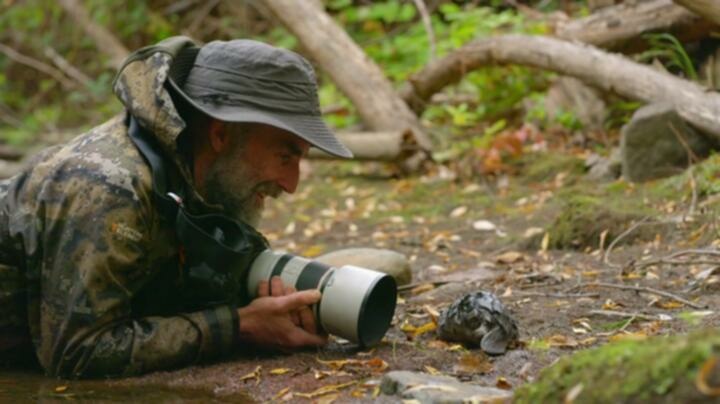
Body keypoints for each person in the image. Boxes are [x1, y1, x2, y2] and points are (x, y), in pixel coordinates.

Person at [0, 36, 353, 378]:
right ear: (220, 135)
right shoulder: (111, 185)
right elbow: (76, 352)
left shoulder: (198, 180)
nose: (292, 185)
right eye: (285, 156)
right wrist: (240, 326)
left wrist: (273, 306)